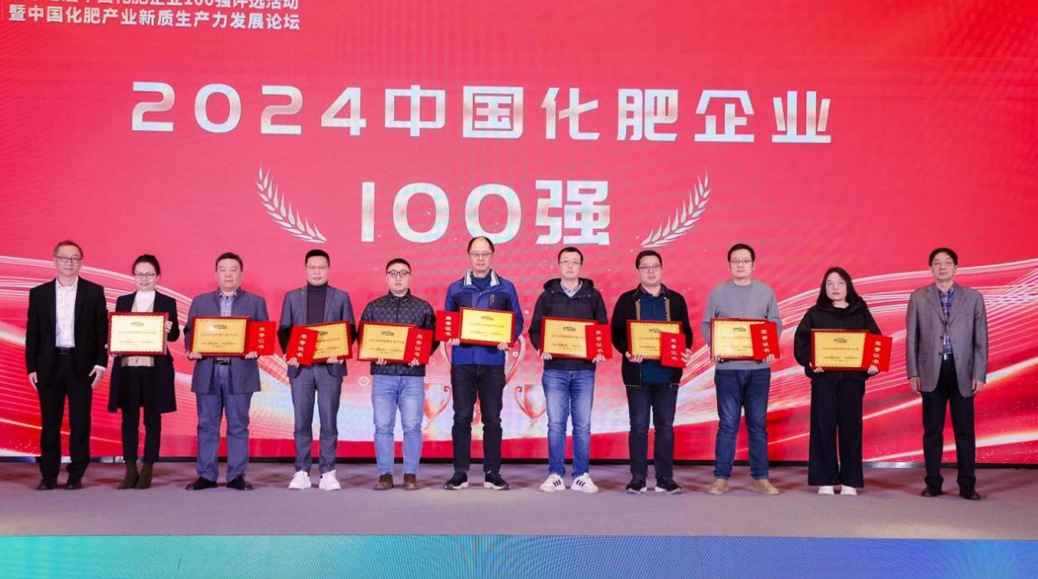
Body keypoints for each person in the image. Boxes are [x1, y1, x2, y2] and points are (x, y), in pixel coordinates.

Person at [442, 236, 524, 491]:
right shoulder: (456, 288)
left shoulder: (506, 288)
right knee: (461, 417)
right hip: (463, 362)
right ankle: (460, 473)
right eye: (476, 254)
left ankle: (492, 473)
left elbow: (517, 320)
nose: (480, 258)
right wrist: (452, 334)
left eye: (485, 254)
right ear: (469, 255)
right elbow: (448, 322)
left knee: (492, 419)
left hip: (492, 361)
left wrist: (508, 338)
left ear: (492, 255)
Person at [25, 240, 108, 490]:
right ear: (55, 260)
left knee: (80, 421)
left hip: (81, 365)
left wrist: (101, 364)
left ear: (81, 262)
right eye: (64, 258)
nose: (69, 263)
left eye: (74, 258)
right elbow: (33, 333)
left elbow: (102, 331)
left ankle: (76, 474)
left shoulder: (94, 292)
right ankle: (48, 475)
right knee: (50, 422)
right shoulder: (39, 293)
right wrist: (31, 366)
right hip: (48, 365)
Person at [907, 247, 988, 500]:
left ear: (956, 267)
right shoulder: (918, 297)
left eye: (947, 262)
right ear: (930, 268)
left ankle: (967, 485)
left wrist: (979, 373)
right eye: (937, 263)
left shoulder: (973, 297)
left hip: (963, 371)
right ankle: (933, 483)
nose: (942, 267)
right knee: (932, 431)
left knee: (965, 431)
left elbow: (981, 339)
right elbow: (912, 339)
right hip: (931, 371)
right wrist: (912, 373)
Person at [701, 243, 782, 495]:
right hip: (727, 369)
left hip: (759, 369)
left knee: (757, 423)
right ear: (728, 265)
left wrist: (769, 347)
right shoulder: (717, 292)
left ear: (753, 265)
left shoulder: (766, 291)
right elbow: (707, 324)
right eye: (735, 261)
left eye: (745, 261)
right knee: (728, 424)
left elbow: (775, 323)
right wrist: (715, 346)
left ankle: (761, 478)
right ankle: (721, 478)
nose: (740, 265)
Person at [610, 249, 694, 494]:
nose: (650, 271)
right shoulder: (627, 300)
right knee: (638, 427)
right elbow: (616, 332)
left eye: (654, 266)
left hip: (668, 374)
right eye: (645, 267)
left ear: (661, 269)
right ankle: (638, 478)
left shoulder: (675, 300)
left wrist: (685, 349)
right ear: (637, 271)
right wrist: (627, 350)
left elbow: (685, 331)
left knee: (665, 427)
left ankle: (665, 478)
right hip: (637, 374)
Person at [184, 252, 269, 491]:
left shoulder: (256, 302)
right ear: (216, 274)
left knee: (238, 425)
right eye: (223, 269)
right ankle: (206, 475)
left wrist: (256, 349)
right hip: (208, 371)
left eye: (233, 270)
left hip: (240, 372)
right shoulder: (200, 301)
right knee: (206, 425)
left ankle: (236, 475)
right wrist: (192, 348)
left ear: (241, 274)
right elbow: (190, 331)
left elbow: (262, 335)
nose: (228, 274)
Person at [793, 267, 880, 496]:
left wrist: (873, 365)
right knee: (823, 427)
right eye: (830, 283)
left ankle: (850, 481)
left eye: (840, 282)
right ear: (824, 288)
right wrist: (811, 362)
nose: (835, 287)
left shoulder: (861, 312)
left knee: (851, 428)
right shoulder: (815, 313)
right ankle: (826, 480)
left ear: (848, 286)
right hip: (824, 380)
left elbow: (876, 342)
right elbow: (801, 343)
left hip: (852, 381)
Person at [528, 247, 609, 493]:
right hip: (555, 369)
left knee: (583, 426)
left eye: (575, 262)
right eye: (566, 261)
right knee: (556, 424)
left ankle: (581, 475)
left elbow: (602, 328)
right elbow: (535, 330)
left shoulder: (593, 296)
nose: (570, 266)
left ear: (581, 266)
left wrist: (598, 349)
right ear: (559, 265)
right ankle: (555, 474)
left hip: (584, 370)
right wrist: (542, 347)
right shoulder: (547, 296)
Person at [277, 249, 355, 491]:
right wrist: (291, 353)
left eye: (322, 267)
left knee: (329, 421)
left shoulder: (341, 297)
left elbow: (350, 330)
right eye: (313, 267)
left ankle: (328, 473)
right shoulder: (292, 297)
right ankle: (301, 471)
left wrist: (339, 352)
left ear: (329, 270)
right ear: (305, 270)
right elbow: (284, 330)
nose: (317, 272)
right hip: (301, 368)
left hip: (329, 368)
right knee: (301, 420)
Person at [360, 258, 438, 491]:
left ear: (410, 277)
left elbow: (432, 339)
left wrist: (421, 355)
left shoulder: (423, 307)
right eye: (393, 273)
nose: (398, 277)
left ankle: (410, 475)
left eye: (403, 273)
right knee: (382, 426)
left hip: (412, 376)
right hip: (383, 375)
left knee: (412, 426)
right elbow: (362, 337)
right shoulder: (374, 307)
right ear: (386, 277)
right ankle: (385, 474)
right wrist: (373, 354)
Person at [107, 254, 181, 490]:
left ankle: (148, 468)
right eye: (139, 273)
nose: (144, 278)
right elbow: (116, 331)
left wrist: (169, 328)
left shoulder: (167, 302)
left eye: (149, 274)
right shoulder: (123, 301)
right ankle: (130, 470)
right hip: (128, 367)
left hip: (154, 368)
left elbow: (174, 335)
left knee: (152, 419)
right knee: (128, 419)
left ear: (158, 276)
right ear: (133, 276)